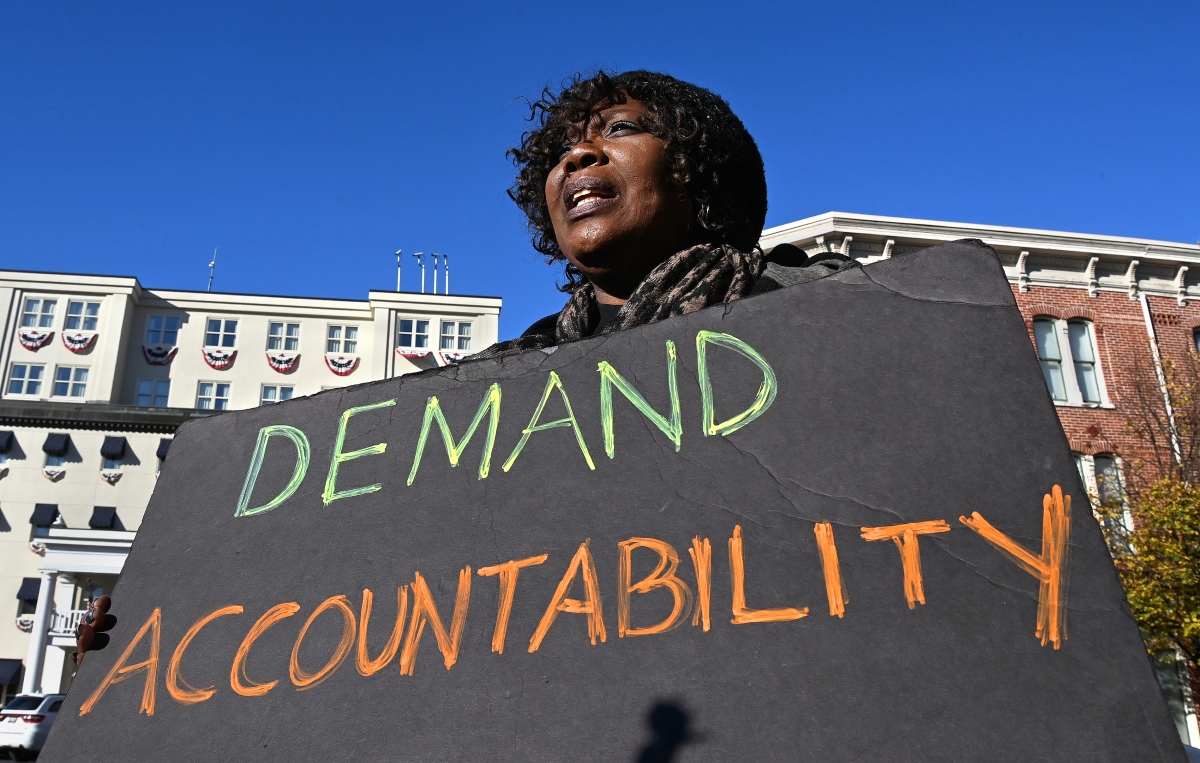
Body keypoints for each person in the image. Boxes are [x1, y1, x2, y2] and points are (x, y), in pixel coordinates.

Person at [74, 69, 855, 662]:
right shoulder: (486, 392)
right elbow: (336, 576)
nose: (576, 154)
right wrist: (155, 633)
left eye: (619, 129)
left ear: (700, 171)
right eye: (557, 151)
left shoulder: (831, 312)